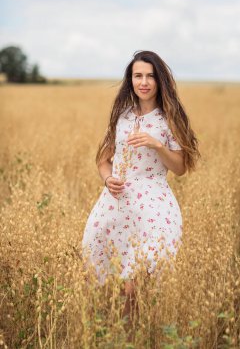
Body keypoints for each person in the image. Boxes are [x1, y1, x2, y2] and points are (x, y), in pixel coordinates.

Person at [82, 50, 200, 310]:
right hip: (115, 204)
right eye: (138, 76)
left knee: (133, 284)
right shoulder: (122, 117)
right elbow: (103, 161)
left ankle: (132, 334)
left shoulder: (170, 119)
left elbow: (180, 168)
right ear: (130, 80)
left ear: (160, 81)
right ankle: (110, 333)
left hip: (153, 206)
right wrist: (107, 179)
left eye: (150, 76)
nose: (143, 82)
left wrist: (157, 144)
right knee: (99, 276)